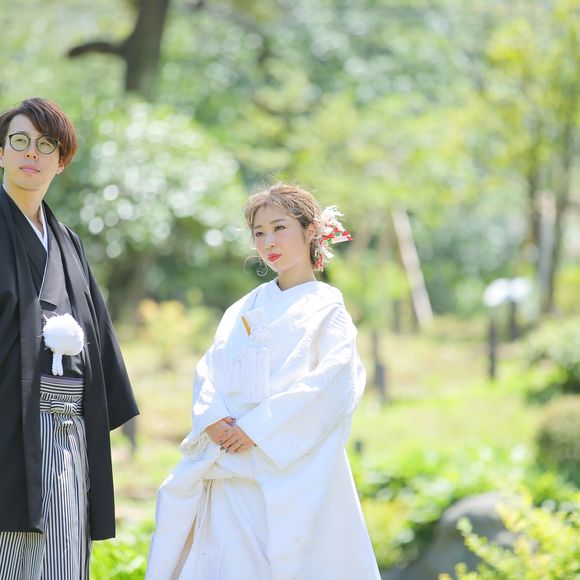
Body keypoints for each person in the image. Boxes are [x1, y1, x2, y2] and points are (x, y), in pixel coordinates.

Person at [146, 183, 380, 579]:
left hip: (289, 463)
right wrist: (213, 418)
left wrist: (257, 428)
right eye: (259, 232)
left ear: (310, 231)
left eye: (279, 228)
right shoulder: (244, 306)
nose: (268, 242)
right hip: (229, 460)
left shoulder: (328, 309)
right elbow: (211, 367)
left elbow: (330, 386)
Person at [0, 97, 139, 579]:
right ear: (1, 152)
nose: (31, 153)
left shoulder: (67, 241)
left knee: (61, 556)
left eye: (46, 145)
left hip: (66, 429)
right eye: (20, 141)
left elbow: (96, 334)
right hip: (5, 422)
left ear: (61, 161)